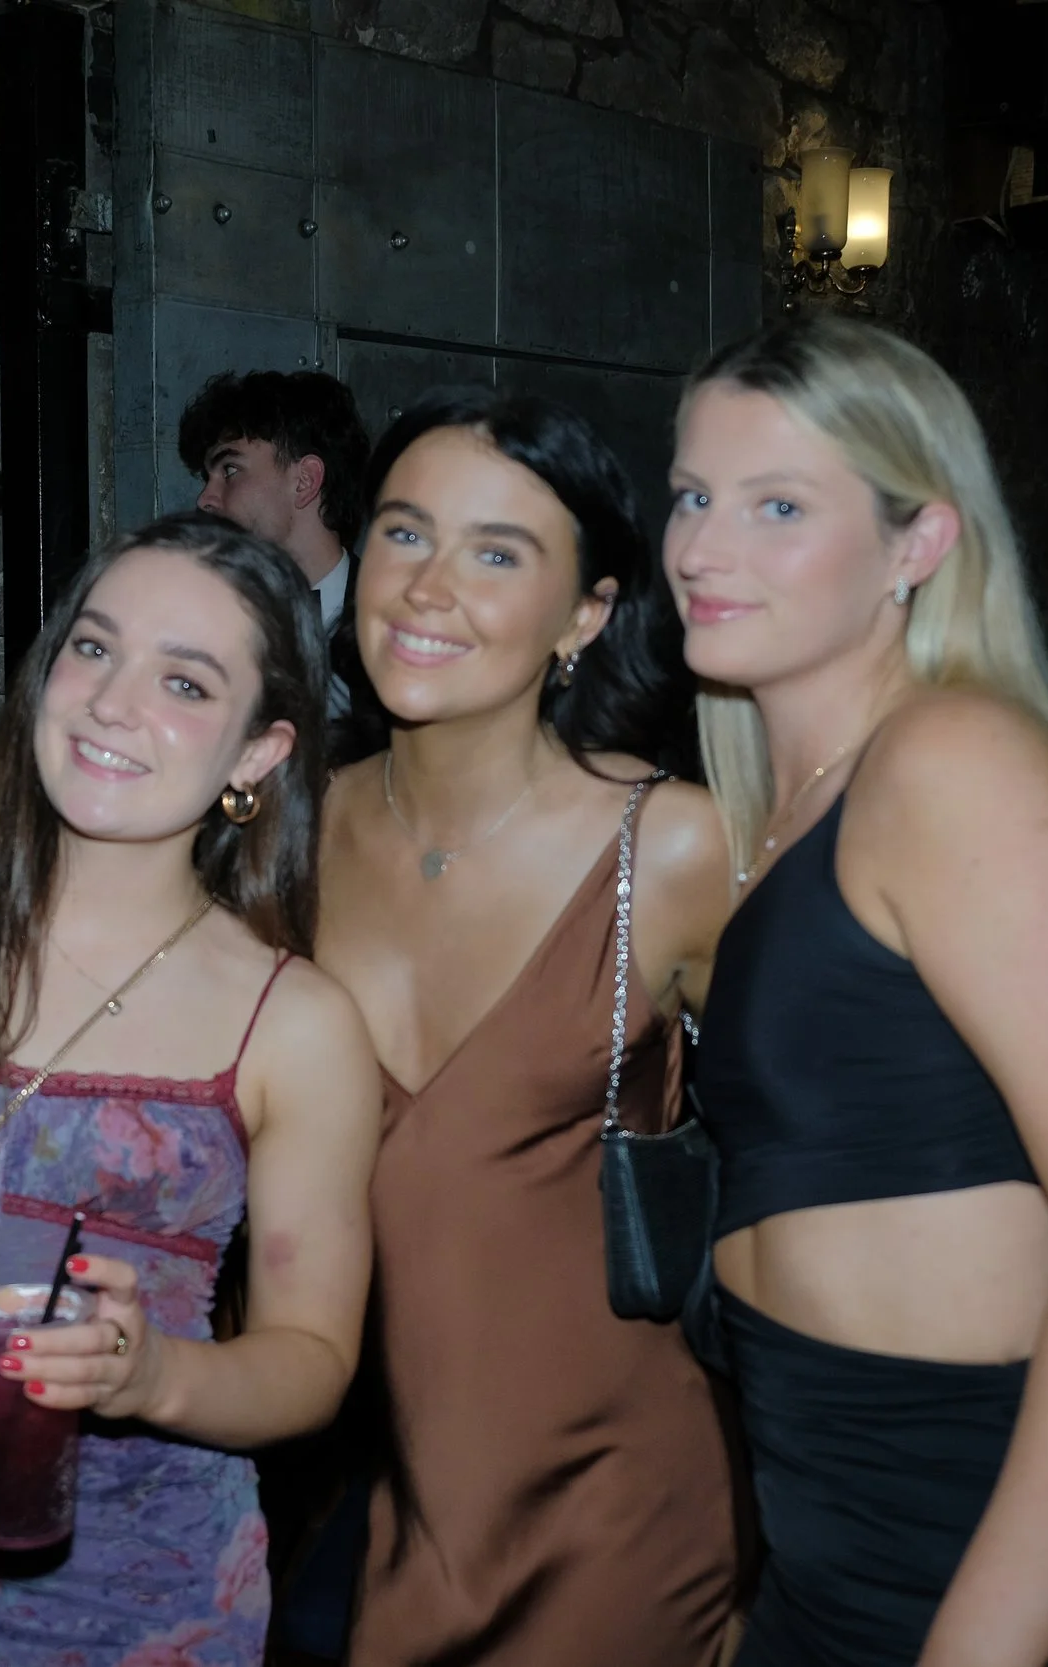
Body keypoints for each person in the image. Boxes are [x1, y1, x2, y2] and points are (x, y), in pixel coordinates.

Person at [667, 317, 1048, 1665]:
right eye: (692, 493)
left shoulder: (953, 763)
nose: (700, 546)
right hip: (836, 1570)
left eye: (777, 505)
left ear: (918, 542)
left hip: (1005, 1598)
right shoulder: (788, 806)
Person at [0, 510, 380, 1664]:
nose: (114, 702)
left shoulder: (295, 1022)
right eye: (94, 648)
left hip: (139, 1607)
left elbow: (312, 1359)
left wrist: (153, 1370)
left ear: (257, 753)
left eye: (186, 682)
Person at [313, 392, 738, 1664]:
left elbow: (832, 1165)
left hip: (624, 1513)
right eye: (404, 533)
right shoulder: (279, 834)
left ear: (587, 613)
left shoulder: (670, 847)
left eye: (498, 553)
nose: (429, 586)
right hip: (397, 1514)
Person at [178, 370, 371, 663]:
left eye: (230, 470)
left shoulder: (397, 621)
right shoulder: (200, 621)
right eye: (207, 477)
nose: (204, 499)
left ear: (305, 480)